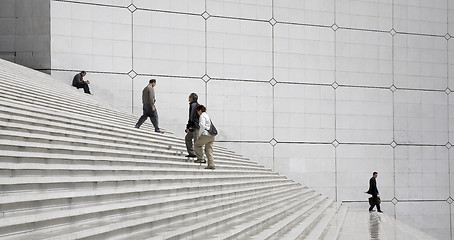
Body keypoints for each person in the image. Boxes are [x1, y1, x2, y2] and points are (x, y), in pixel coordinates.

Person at [194, 104, 215, 169]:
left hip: (206, 134)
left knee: (197, 145)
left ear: (200, 110)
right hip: (212, 135)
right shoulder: (207, 116)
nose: (198, 113)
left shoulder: (202, 116)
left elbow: (202, 126)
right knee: (209, 150)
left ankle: (200, 158)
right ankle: (211, 164)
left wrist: (200, 135)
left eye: (198, 111)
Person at [185, 93, 199, 158]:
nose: (188, 98)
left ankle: (200, 156)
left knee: (196, 142)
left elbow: (191, 117)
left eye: (189, 97)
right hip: (194, 126)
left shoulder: (193, 105)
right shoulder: (196, 105)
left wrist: (188, 127)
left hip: (195, 126)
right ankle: (192, 153)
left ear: (192, 98)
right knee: (188, 138)